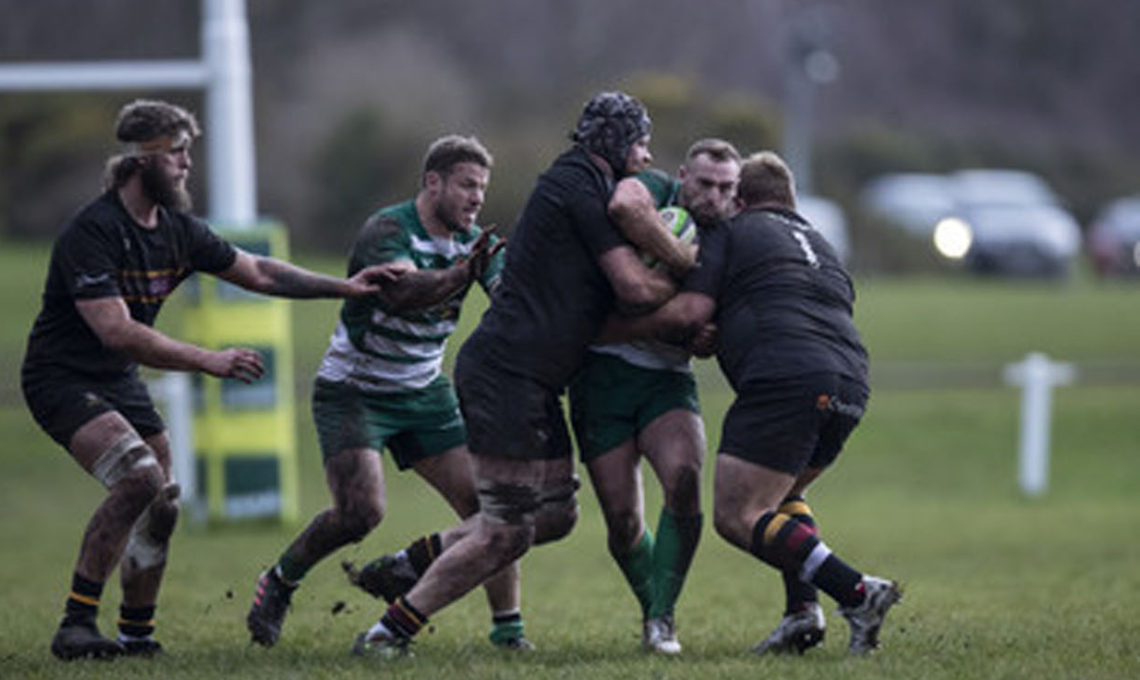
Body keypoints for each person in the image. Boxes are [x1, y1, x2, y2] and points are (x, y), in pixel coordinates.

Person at [21, 99, 402, 662]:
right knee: (137, 478)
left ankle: (135, 634)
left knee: (162, 504)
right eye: (176, 153)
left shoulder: (178, 230)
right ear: (142, 159)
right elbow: (116, 331)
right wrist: (208, 359)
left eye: (187, 152)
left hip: (118, 381)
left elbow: (259, 271)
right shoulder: (94, 231)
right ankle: (76, 623)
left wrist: (346, 288)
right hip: (60, 377)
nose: (186, 164)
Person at [348, 91, 678, 657]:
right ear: (616, 140)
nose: (646, 157)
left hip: (535, 381)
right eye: (640, 142)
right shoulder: (575, 184)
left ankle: (413, 562)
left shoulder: (589, 185)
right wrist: (690, 272)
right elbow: (634, 288)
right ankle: (389, 632)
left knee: (554, 516)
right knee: (506, 529)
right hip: (506, 375)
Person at [598, 151, 902, 655]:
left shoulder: (733, 233)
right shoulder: (820, 243)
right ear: (790, 200)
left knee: (738, 513)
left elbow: (692, 312)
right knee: (781, 497)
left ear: (740, 199)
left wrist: (612, 328)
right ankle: (802, 615)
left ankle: (857, 592)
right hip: (850, 382)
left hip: (785, 378)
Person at [243, 135, 531, 650]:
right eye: (467, 185)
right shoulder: (388, 230)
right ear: (433, 182)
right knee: (361, 513)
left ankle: (508, 630)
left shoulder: (475, 242)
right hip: (355, 391)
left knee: (491, 508)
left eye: (482, 190)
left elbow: (513, 303)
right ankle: (280, 580)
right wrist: (466, 271)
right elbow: (402, 295)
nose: (476, 198)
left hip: (424, 391)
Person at [567, 138, 741, 654]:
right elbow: (623, 205)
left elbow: (714, 320)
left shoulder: (731, 236)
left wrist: (706, 336)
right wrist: (671, 302)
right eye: (705, 183)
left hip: (668, 379)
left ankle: (661, 619)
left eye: (726, 188)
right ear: (684, 175)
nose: (713, 196)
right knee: (622, 522)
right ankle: (653, 610)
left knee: (685, 478)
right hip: (601, 380)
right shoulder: (652, 191)